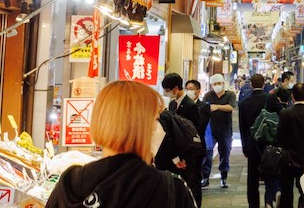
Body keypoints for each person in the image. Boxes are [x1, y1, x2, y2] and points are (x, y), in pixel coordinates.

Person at [46, 80, 196, 208]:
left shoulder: (70, 184)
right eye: (155, 120)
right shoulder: (170, 189)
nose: (156, 128)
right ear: (144, 128)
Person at [159, 73, 207, 206]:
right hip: (180, 153)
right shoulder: (173, 104)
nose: (167, 93)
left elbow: (196, 131)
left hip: (190, 153)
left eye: (168, 90)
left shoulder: (190, 105)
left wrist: (185, 155)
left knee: (192, 185)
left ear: (175, 88)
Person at [239, 73, 271, 208]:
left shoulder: (244, 103)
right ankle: (269, 202)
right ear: (264, 84)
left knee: (252, 179)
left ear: (251, 84)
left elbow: (242, 127)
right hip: (269, 144)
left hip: (252, 144)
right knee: (270, 176)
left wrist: (244, 146)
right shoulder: (270, 99)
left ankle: (254, 205)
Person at [204, 74, 236, 188]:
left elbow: (231, 107)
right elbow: (204, 109)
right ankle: (205, 177)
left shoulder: (230, 95)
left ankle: (223, 178)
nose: (217, 86)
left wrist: (217, 107)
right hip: (210, 131)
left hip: (225, 131)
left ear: (223, 83)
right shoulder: (208, 95)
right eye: (214, 84)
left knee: (224, 155)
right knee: (207, 154)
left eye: (219, 83)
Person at [185, 79, 214, 185]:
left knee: (196, 177)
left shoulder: (204, 106)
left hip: (198, 144)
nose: (189, 91)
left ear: (198, 91)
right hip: (184, 146)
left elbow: (201, 126)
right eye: (187, 89)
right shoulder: (180, 105)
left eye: (191, 89)